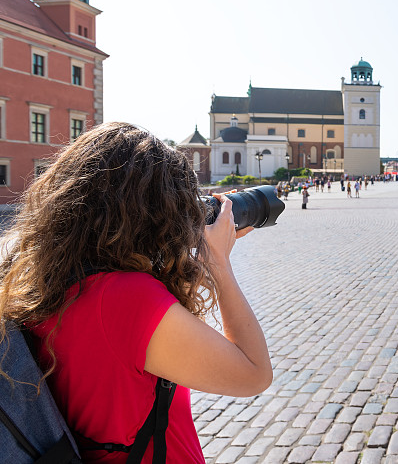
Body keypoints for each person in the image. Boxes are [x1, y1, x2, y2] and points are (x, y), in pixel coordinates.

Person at [0, 123, 272, 462]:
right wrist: (218, 262)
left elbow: (117, 359)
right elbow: (253, 374)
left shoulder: (43, 281)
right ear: (154, 215)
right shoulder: (125, 298)